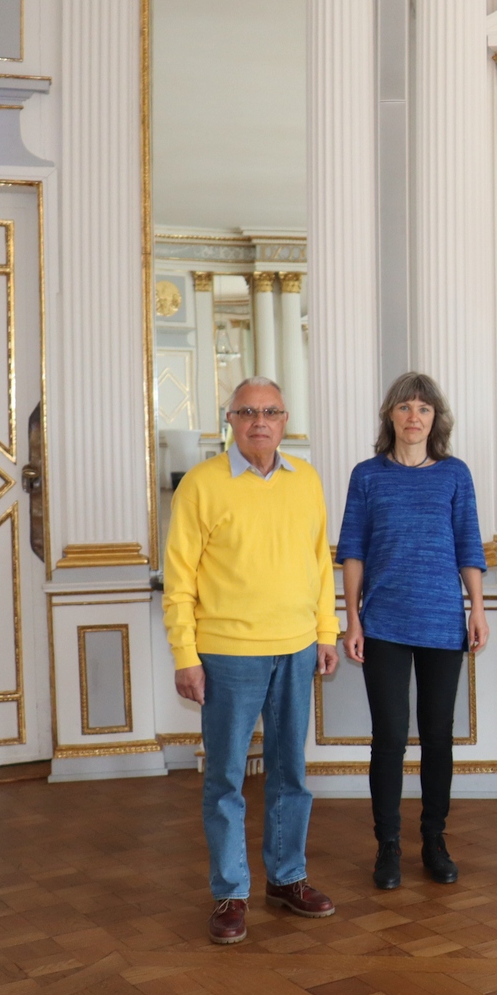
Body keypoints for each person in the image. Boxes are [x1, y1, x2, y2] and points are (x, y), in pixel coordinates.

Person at [165, 376, 340, 945]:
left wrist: (326, 633)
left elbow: (319, 566)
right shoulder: (200, 484)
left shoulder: (306, 480)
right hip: (226, 654)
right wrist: (184, 655)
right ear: (230, 421)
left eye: (270, 411)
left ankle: (287, 878)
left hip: (295, 648)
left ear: (284, 420)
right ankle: (230, 892)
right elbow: (180, 579)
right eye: (247, 412)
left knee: (291, 773)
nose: (259, 421)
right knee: (225, 779)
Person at [337, 372, 488, 891]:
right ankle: (388, 847)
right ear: (390, 416)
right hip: (383, 623)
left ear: (434, 420)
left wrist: (478, 610)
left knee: (439, 737)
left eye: (423, 408)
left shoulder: (454, 475)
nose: (413, 416)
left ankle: (434, 840)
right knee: (389, 738)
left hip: (443, 621)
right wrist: (352, 617)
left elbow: (469, 545)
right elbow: (351, 550)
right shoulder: (367, 476)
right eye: (404, 407)